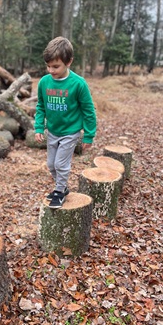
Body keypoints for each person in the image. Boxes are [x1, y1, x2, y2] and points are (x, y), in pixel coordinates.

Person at [34, 36, 97, 209]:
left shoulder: (78, 84)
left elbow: (88, 110)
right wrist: (39, 126)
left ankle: (59, 191)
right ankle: (62, 187)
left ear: (69, 62)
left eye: (55, 66)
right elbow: (40, 106)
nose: (51, 70)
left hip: (70, 131)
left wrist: (89, 136)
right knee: (50, 165)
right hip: (53, 130)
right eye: (48, 66)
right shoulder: (44, 82)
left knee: (61, 164)